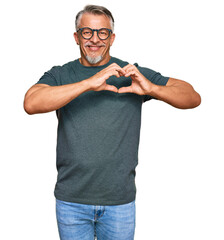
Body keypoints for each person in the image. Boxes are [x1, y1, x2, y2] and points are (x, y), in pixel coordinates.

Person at [24, 4, 201, 240]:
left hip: (119, 202)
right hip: (71, 202)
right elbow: (31, 102)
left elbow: (192, 97)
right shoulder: (61, 75)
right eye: (87, 32)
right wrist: (89, 83)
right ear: (76, 37)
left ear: (112, 37)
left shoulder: (130, 74)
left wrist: (152, 88)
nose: (95, 39)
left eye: (102, 32)